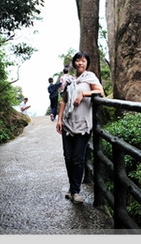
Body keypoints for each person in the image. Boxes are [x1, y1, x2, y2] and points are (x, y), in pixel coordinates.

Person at [55, 51, 104, 204]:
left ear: (87, 63)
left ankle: (75, 191)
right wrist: (59, 119)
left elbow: (101, 92)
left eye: (83, 61)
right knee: (68, 158)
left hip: (83, 124)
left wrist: (84, 94)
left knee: (78, 158)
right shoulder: (69, 80)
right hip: (68, 124)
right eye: (78, 61)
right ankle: (72, 187)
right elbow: (63, 101)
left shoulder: (90, 77)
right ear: (74, 63)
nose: (80, 63)